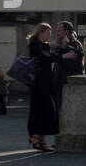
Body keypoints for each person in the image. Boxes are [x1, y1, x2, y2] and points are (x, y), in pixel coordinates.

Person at [26, 22, 75, 151]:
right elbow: (44, 59)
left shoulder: (44, 45)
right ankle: (35, 137)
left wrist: (61, 46)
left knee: (44, 112)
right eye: (48, 33)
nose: (50, 35)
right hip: (39, 83)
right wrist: (64, 56)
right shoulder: (35, 44)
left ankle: (41, 142)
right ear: (41, 32)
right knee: (48, 112)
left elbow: (50, 53)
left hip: (47, 82)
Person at [53, 20, 84, 113]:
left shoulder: (74, 43)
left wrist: (62, 47)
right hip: (60, 81)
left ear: (66, 31)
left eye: (59, 30)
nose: (57, 33)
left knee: (67, 109)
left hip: (67, 82)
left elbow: (75, 58)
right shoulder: (61, 42)